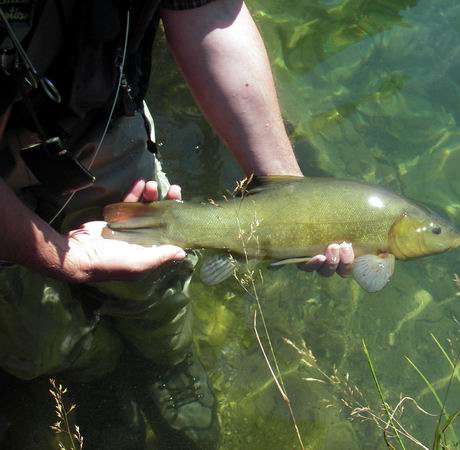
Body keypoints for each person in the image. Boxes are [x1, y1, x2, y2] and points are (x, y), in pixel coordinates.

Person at [0, 0, 354, 448]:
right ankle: (92, 373)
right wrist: (61, 260)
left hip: (104, 119)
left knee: (156, 275)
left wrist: (292, 198)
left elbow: (210, 13)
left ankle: (167, 360)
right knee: (31, 331)